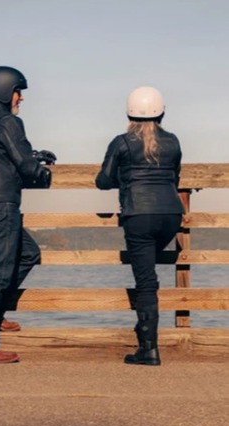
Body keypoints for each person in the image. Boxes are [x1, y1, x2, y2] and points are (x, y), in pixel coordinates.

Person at [0, 66, 55, 364]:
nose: (21, 98)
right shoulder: (7, 122)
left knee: (28, 253)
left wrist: (32, 158)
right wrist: (44, 172)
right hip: (2, 203)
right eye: (18, 91)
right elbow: (26, 167)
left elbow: (0, 160)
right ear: (5, 91)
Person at [96, 86, 184, 366]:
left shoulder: (122, 142)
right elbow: (175, 176)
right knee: (149, 274)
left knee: (146, 282)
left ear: (128, 113)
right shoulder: (173, 142)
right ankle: (146, 329)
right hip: (171, 214)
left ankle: (148, 348)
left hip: (139, 215)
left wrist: (125, 177)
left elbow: (104, 180)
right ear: (162, 112)